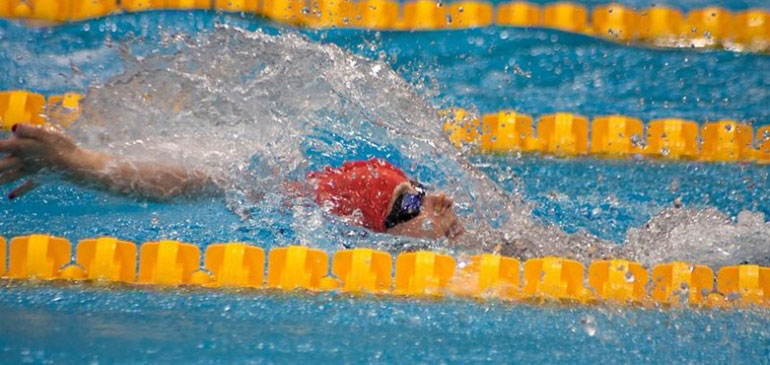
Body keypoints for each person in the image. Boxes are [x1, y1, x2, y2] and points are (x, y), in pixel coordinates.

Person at [0, 123, 465, 241]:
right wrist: (77, 164)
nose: (432, 205)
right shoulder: (274, 201)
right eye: (409, 205)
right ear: (370, 226)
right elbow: (189, 181)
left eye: (420, 193)